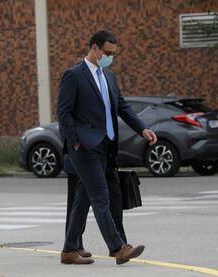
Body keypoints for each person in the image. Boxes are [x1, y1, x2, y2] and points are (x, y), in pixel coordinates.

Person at [57, 30, 157, 265]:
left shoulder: (109, 76)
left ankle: (69, 249)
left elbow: (123, 107)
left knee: (84, 198)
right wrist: (75, 141)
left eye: (114, 54)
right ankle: (117, 247)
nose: (110, 57)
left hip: (106, 146)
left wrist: (142, 129)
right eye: (107, 53)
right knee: (101, 197)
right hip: (84, 147)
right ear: (94, 48)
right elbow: (64, 112)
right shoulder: (74, 75)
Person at [63, 156, 127, 259]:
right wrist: (76, 145)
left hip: (104, 157)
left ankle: (120, 244)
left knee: (111, 199)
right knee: (84, 202)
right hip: (82, 158)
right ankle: (118, 247)